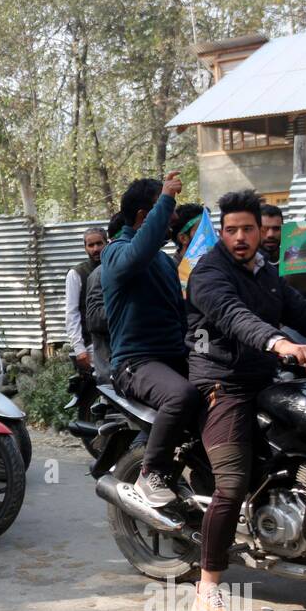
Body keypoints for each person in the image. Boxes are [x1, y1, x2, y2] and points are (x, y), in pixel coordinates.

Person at [186, 189, 306, 611]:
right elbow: (234, 317)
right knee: (230, 484)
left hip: (266, 376)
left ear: (261, 230)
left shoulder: (267, 271)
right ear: (222, 232)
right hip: (223, 381)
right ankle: (207, 586)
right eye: (231, 229)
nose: (240, 237)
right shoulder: (207, 273)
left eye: (247, 228)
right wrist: (280, 343)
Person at [103, 173, 201, 508]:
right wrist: (167, 198)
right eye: (168, 216)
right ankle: (151, 474)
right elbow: (136, 254)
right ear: (146, 216)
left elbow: (182, 315)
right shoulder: (115, 254)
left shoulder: (163, 262)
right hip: (135, 363)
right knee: (180, 396)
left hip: (173, 357)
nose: (173, 225)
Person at [66, 227, 106, 375]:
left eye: (99, 243)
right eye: (91, 245)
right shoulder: (76, 273)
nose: (96, 249)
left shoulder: (115, 267)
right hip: (92, 345)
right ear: (85, 248)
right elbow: (72, 312)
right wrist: (79, 348)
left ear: (106, 243)